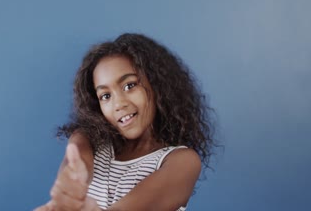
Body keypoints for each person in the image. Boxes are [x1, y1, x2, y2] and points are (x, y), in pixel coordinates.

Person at [34, 33, 216, 211]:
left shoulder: (182, 161)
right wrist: (72, 181)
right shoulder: (90, 141)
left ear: (157, 86)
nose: (118, 104)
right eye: (105, 95)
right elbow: (77, 160)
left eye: (129, 85)